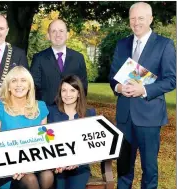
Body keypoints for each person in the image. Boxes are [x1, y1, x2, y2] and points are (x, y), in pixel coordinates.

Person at [108, 2, 176, 189]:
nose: (136, 22)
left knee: (149, 170)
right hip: (124, 117)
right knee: (123, 169)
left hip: (150, 117)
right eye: (132, 18)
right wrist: (120, 89)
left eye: (140, 18)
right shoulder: (122, 44)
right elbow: (113, 78)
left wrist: (144, 90)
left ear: (150, 19)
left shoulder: (164, 45)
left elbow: (171, 80)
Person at [0, 66, 53, 189]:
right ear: (8, 86)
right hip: (6, 167)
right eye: (14, 81)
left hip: (34, 163)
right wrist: (17, 166)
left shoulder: (40, 107)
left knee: (47, 175)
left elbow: (44, 142)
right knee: (29, 179)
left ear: (29, 86)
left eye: (23, 80)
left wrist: (30, 166)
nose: (19, 84)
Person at [47, 75, 95, 189]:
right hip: (57, 166)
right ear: (60, 93)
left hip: (80, 166)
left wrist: (78, 161)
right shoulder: (51, 112)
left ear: (79, 93)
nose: (68, 94)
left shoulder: (89, 113)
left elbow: (92, 145)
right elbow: (47, 141)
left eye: (72, 90)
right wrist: (57, 162)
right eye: (64, 90)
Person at [30, 19, 88, 106]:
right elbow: (33, 87)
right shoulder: (39, 58)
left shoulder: (78, 58)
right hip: (47, 112)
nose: (58, 35)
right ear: (48, 36)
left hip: (72, 112)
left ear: (67, 35)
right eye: (54, 31)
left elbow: (83, 87)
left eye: (61, 31)